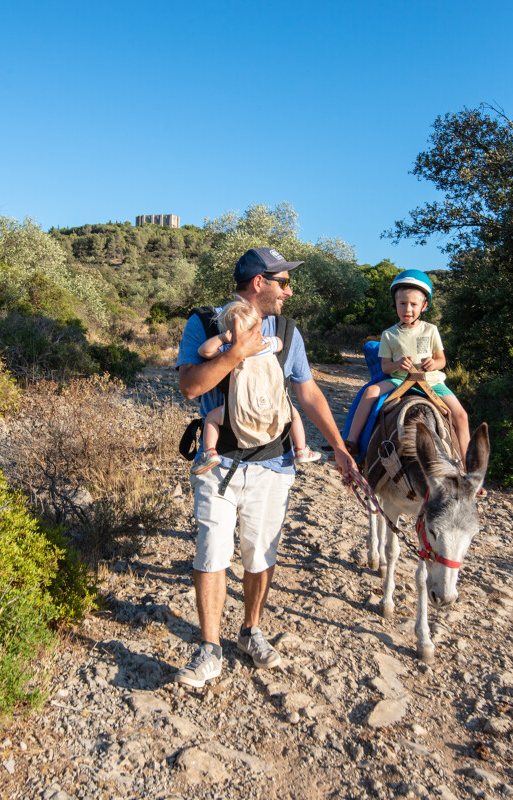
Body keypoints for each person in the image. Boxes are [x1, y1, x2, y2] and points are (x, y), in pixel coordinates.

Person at [175, 247, 359, 687]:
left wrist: (339, 447)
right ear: (259, 283)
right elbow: (189, 386)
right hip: (217, 464)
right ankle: (209, 648)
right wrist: (236, 351)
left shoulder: (289, 333)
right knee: (212, 554)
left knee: (260, 555)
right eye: (282, 282)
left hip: (273, 464)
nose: (288, 291)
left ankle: (250, 630)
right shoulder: (206, 323)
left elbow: (309, 393)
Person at [344, 270, 470, 459]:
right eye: (402, 303)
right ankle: (351, 442)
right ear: (395, 304)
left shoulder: (431, 330)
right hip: (400, 381)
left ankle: (468, 466)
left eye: (413, 304)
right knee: (370, 392)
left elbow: (441, 360)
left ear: (424, 305)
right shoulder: (389, 334)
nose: (407, 309)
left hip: (431, 382)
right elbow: (386, 367)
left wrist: (433, 363)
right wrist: (397, 364)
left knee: (461, 416)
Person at [192, 296, 322, 475]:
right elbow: (281, 344)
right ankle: (300, 449)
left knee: (211, 419)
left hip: (239, 410)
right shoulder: (267, 345)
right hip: (272, 406)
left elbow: (204, 351)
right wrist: (262, 336)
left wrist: (224, 338)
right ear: (256, 327)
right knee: (293, 414)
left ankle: (209, 452)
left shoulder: (229, 350)